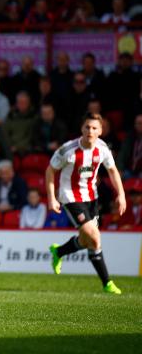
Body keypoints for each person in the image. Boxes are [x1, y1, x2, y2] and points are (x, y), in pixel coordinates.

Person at [46, 112, 126, 294]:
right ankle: (107, 283)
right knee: (94, 237)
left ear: (101, 131)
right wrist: (51, 197)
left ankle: (59, 252)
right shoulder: (68, 150)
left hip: (91, 197)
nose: (90, 131)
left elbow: (113, 171)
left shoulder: (103, 149)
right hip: (70, 196)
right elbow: (50, 171)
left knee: (86, 240)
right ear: (82, 129)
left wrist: (121, 194)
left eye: (94, 128)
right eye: (87, 127)